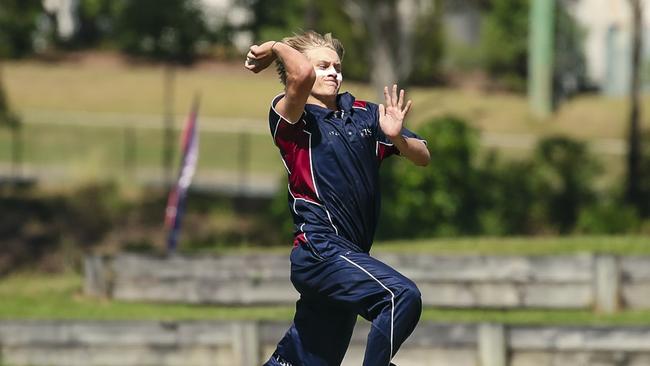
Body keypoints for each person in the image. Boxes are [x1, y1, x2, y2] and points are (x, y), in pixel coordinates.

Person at [244, 30, 430, 366]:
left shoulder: (364, 114)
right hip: (320, 252)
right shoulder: (292, 118)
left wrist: (397, 138)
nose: (333, 72)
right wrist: (273, 47)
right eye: (323, 66)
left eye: (337, 66)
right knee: (399, 296)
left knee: (304, 360)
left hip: (348, 259)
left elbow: (423, 155)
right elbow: (299, 75)